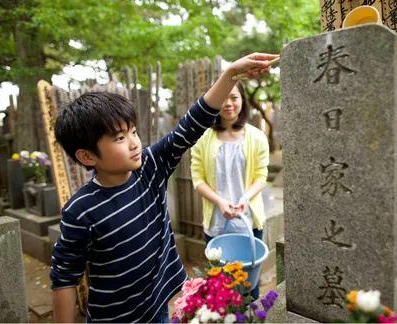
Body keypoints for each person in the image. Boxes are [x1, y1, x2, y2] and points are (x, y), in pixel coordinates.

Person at [49, 52, 279, 323]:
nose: (135, 142)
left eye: (133, 131)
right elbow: (64, 276)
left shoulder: (150, 168)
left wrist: (230, 75)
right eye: (120, 138)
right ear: (87, 156)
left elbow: (191, 125)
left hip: (158, 307)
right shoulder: (81, 210)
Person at [190, 80, 270, 301]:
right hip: (216, 222)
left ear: (242, 101)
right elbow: (197, 179)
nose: (228, 103)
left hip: (248, 222)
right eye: (222, 97)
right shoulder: (203, 138)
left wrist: (245, 198)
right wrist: (219, 201)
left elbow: (260, 177)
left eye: (234, 97)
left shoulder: (256, 137)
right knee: (220, 286)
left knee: (249, 287)